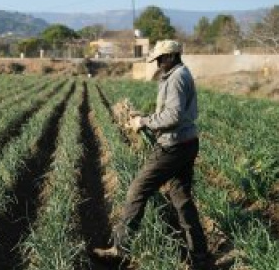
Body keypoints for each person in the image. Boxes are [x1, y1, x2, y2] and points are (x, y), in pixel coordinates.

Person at [91, 40, 213, 269]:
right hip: (186, 143)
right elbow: (172, 114)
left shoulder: (176, 78)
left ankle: (120, 249)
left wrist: (143, 121)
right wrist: (145, 117)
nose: (157, 63)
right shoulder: (181, 74)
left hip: (172, 146)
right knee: (181, 198)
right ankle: (200, 255)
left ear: (170, 57)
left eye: (159, 59)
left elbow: (173, 116)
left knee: (138, 189)